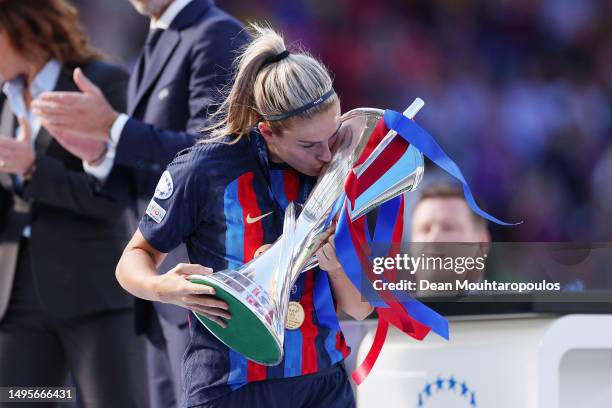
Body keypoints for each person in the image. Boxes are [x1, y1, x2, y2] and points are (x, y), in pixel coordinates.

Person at [116, 24, 373, 408]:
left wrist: (335, 265)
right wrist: (165, 287)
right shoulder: (204, 169)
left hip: (323, 386)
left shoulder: (340, 170)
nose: (325, 155)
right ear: (267, 131)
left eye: (332, 135)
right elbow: (131, 260)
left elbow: (359, 307)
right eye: (308, 144)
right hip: (229, 387)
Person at [33, 1, 249, 406]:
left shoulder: (215, 32)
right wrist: (99, 154)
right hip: (160, 287)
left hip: (197, 283)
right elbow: (155, 178)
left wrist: (113, 126)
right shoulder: (160, 35)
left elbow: (213, 155)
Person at [0, 0, 146, 406]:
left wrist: (33, 170)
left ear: (18, 28)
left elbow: (115, 197)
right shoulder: (3, 99)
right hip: (17, 297)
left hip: (92, 292)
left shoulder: (101, 82)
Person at [410, 182, 491, 297]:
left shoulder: (517, 310)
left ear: (482, 242)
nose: (433, 239)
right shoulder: (383, 313)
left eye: (448, 228)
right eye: (425, 229)